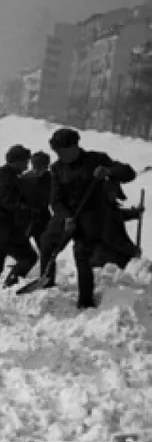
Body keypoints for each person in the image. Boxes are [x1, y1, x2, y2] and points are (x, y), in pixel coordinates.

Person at [40, 127, 136, 308]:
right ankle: (46, 281)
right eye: (56, 152)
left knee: (81, 255)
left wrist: (108, 171)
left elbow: (129, 172)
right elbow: (56, 201)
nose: (59, 155)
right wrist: (66, 218)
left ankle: (85, 302)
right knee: (47, 242)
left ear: (74, 146)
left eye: (62, 151)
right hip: (68, 214)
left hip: (92, 217)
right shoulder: (57, 168)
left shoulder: (96, 159)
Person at [0, 145, 38, 286]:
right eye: (25, 162)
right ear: (16, 161)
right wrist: (24, 208)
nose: (26, 166)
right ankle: (11, 284)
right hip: (2, 228)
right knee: (29, 257)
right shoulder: (6, 176)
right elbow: (4, 197)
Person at [21, 151, 52, 250]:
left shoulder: (51, 178)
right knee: (21, 249)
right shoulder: (24, 179)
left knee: (46, 248)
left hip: (43, 218)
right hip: (26, 218)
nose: (38, 171)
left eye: (41, 168)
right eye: (35, 168)